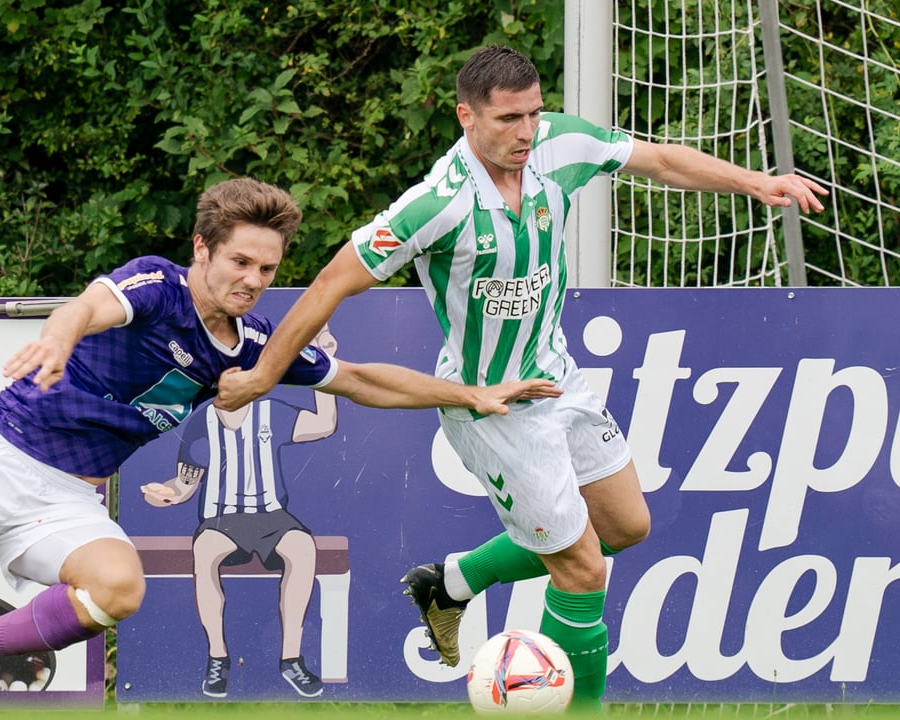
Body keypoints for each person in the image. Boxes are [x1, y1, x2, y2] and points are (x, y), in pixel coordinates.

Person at [0, 177, 561, 716]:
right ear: (203, 249)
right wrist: (60, 335)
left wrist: (471, 393)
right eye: (240, 262)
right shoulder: (157, 284)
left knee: (119, 588)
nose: (253, 282)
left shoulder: (255, 349)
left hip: (61, 498)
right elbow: (93, 306)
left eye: (266, 268)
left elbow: (362, 378)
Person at [213, 46, 828, 711]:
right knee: (583, 568)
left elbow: (659, 159)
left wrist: (756, 182)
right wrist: (262, 374)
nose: (527, 132)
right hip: (493, 408)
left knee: (625, 527)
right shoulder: (436, 206)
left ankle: (451, 583)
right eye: (509, 119)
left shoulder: (558, 145)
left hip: (556, 375)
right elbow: (332, 281)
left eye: (533, 113)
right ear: (466, 116)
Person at [141, 325, 342, 699]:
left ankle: (291, 659)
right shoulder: (200, 424)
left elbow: (324, 424)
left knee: (302, 548)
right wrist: (164, 494)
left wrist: (325, 361)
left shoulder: (272, 413)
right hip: (222, 519)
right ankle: (218, 657)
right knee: (205, 551)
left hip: (271, 515)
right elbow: (185, 484)